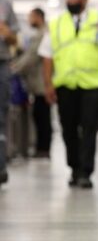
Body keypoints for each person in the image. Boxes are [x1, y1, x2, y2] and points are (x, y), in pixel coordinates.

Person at [39, 0, 98, 189]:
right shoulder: (57, 23)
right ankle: (74, 168)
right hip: (66, 85)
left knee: (89, 128)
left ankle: (85, 171)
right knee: (68, 129)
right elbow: (47, 56)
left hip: (93, 85)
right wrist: (48, 84)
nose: (70, 0)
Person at [11, 8, 52, 159]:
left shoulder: (42, 35)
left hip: (42, 83)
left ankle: (43, 149)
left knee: (42, 116)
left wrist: (13, 68)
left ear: (39, 17)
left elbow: (32, 57)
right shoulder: (41, 33)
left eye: (31, 17)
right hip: (39, 83)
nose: (29, 20)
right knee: (40, 115)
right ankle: (42, 148)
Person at [0, 0, 20, 185]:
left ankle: (1, 166)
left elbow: (16, 40)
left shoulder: (6, 6)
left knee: (1, 115)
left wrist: (7, 34)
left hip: (2, 63)